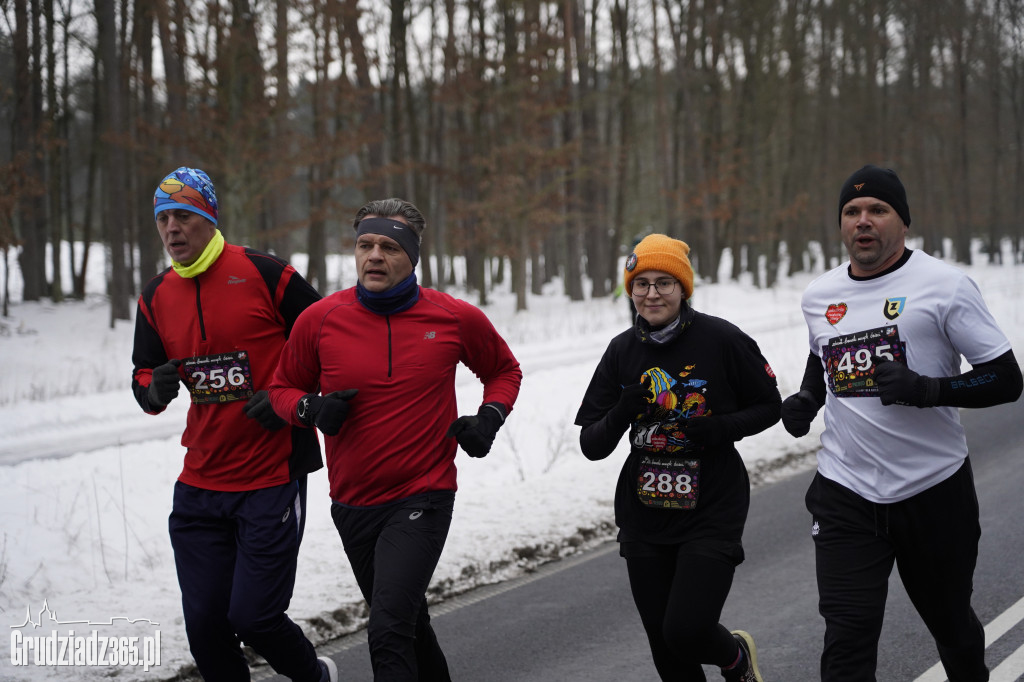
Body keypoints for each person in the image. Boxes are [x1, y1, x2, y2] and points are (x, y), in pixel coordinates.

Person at [781, 165, 1023, 682]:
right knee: (846, 640)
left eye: (878, 210)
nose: (863, 221)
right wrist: (807, 398)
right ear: (841, 224)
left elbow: (1006, 379)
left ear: (903, 221)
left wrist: (929, 390)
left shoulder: (945, 286)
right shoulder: (820, 295)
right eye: (852, 212)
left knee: (952, 628)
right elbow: (822, 357)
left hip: (933, 489)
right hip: (846, 491)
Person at [268, 197, 523, 681]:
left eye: (389, 246)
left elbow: (503, 370)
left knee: (387, 630)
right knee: (410, 626)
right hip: (352, 502)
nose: (374, 256)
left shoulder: (452, 317)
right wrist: (311, 409)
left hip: (423, 494)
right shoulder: (319, 319)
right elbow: (281, 390)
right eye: (365, 245)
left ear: (412, 256)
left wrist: (489, 417)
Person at [130, 167, 337, 682]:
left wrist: (289, 396)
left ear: (209, 217)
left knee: (254, 617)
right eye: (163, 219)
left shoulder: (266, 274)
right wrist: (153, 389)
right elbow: (142, 373)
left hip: (271, 474)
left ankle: (315, 676)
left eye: (183, 216)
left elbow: (333, 339)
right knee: (205, 626)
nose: (172, 228)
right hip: (200, 483)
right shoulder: (155, 295)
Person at [575, 234, 780, 682]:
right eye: (641, 283)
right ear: (630, 290)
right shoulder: (621, 350)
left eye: (664, 282)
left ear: (683, 287)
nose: (652, 294)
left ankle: (735, 658)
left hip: (712, 506)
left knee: (685, 630)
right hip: (644, 513)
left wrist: (720, 427)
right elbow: (591, 444)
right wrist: (621, 412)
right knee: (666, 648)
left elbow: (770, 406)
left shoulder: (722, 339)